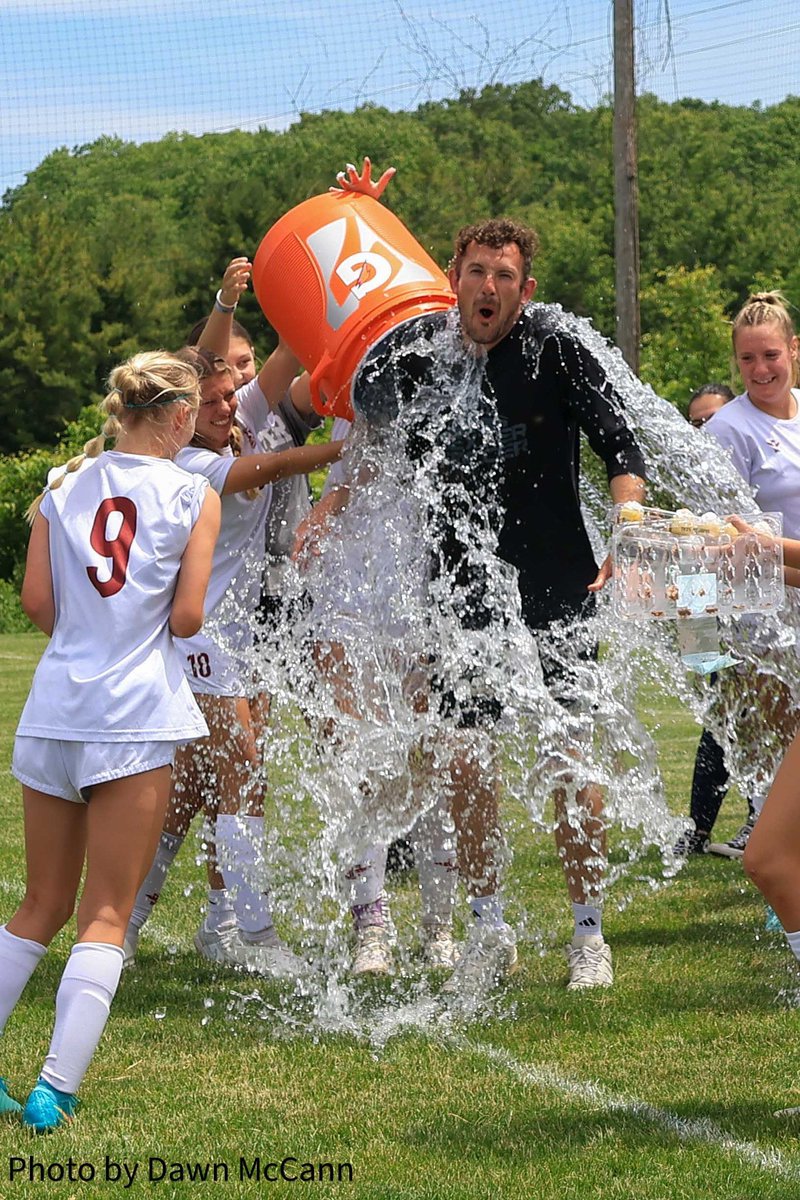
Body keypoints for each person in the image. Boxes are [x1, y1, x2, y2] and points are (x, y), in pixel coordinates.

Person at [298, 163, 646, 994]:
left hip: (559, 580)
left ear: (525, 289)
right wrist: (326, 509)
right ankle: (488, 927)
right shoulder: (421, 359)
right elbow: (367, 439)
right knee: (467, 759)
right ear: (451, 280)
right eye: (476, 273)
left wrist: (628, 530)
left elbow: (620, 444)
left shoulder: (555, 349)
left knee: (569, 755)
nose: (488, 287)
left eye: (505, 278)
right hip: (460, 587)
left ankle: (588, 934)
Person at [0, 352, 220, 1132]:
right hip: (130, 722)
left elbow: (36, 599)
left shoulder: (61, 485)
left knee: (39, 905)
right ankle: (53, 1091)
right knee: (104, 916)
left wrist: (89, 643)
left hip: (53, 710)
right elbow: (188, 618)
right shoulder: (194, 492)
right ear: (179, 415)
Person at [123, 347, 342, 976]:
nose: (227, 405)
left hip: (244, 638)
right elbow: (268, 467)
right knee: (244, 772)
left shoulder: (232, 421)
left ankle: (135, 923)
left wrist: (316, 300)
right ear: (183, 413)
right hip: (203, 640)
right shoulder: (191, 460)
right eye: (211, 401)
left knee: (196, 786)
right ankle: (254, 932)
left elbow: (283, 362)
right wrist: (341, 454)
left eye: (230, 395)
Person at [702, 294, 800, 859]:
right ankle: (777, 867)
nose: (760, 370)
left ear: (793, 350)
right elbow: (719, 538)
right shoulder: (729, 430)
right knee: (779, 745)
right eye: (746, 360)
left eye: (770, 355)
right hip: (766, 614)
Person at [671, 382, 760, 858]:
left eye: (711, 420)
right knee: (721, 715)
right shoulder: (694, 477)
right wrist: (693, 626)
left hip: (757, 612)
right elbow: (689, 554)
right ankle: (700, 826)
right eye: (696, 422)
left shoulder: (745, 458)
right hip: (710, 606)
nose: (703, 430)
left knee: (752, 716)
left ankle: (754, 821)